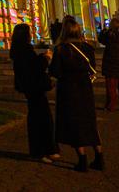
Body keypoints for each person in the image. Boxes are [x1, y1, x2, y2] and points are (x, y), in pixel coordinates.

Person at [48, 16, 104, 172]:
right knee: (90, 122)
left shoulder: (61, 50)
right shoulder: (87, 48)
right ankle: (99, 157)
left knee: (75, 125)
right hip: (85, 89)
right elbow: (91, 67)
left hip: (68, 90)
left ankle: (82, 160)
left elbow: (56, 72)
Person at [10, 23, 57, 162]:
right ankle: (41, 151)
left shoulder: (18, 50)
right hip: (34, 87)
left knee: (38, 117)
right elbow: (34, 67)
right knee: (41, 118)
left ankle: (46, 149)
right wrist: (46, 58)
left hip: (29, 87)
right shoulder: (25, 50)